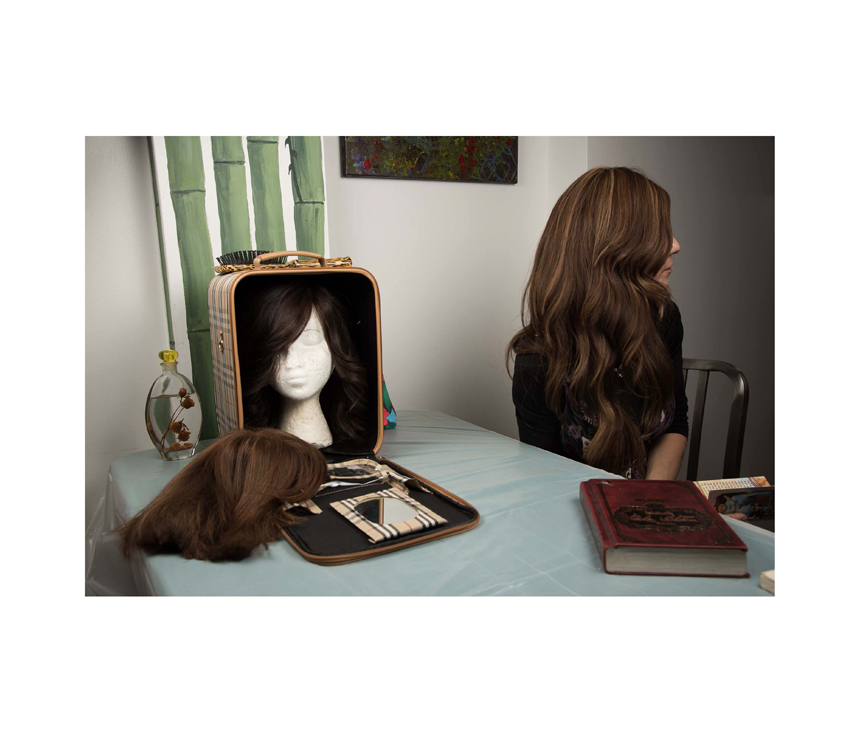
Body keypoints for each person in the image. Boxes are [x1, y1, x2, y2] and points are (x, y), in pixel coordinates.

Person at [508, 167, 687, 479]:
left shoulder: (663, 317)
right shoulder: (537, 364)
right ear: (616, 250)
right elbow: (545, 485)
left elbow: (675, 422)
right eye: (657, 233)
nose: (675, 244)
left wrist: (652, 504)